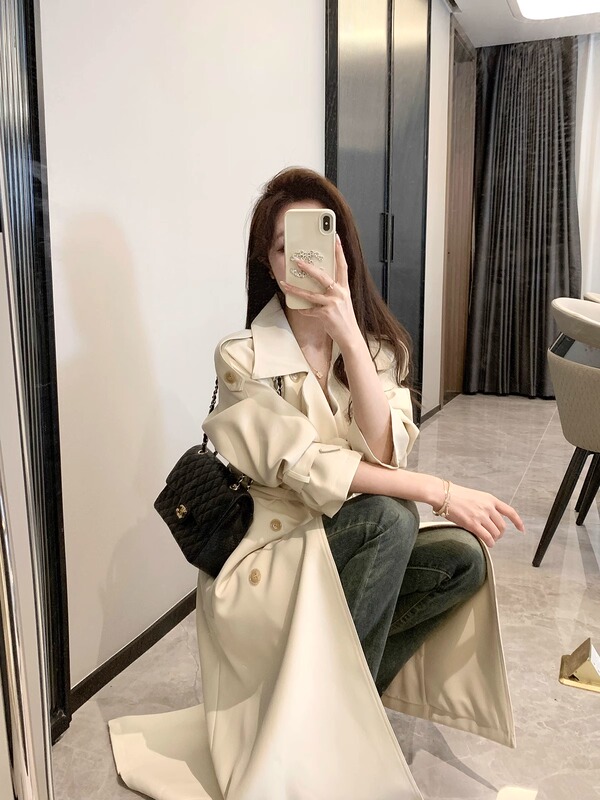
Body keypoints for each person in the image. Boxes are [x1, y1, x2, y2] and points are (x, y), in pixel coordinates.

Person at [109, 168, 524, 800]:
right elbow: (303, 466)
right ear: (270, 265)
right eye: (285, 247)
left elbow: (387, 453)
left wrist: (348, 333)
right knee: (392, 517)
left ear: (343, 251)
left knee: (462, 561)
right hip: (269, 556)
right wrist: (441, 491)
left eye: (318, 241)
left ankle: (332, 707)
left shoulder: (379, 350)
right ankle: (330, 733)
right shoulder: (242, 356)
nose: (304, 260)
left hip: (347, 540)